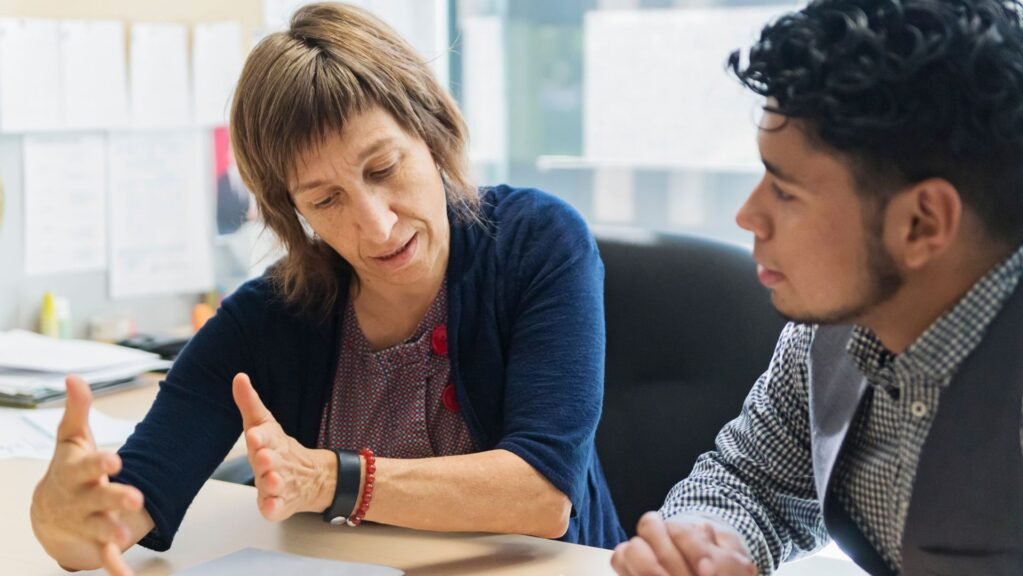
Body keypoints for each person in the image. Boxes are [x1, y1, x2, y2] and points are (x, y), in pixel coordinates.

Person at [30, 4, 625, 574]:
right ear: (295, 213)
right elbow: (126, 509)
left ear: (432, 130)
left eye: (383, 168)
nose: (377, 225)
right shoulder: (269, 318)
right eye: (325, 200)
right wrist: (66, 521)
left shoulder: (535, 242)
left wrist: (329, 479)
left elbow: (543, 494)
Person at [611, 0, 1023, 574]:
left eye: (785, 192)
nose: (747, 216)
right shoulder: (834, 330)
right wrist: (706, 544)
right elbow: (754, 480)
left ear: (922, 223)